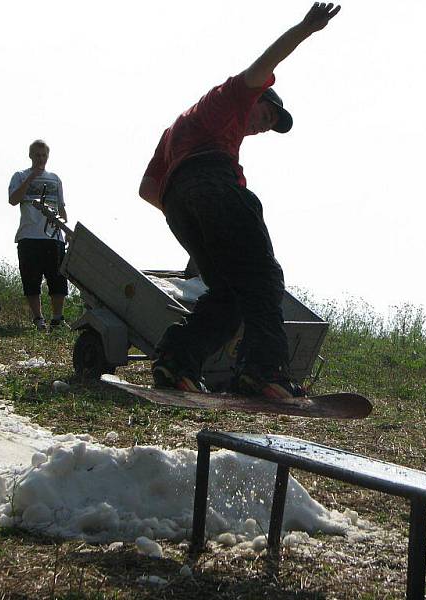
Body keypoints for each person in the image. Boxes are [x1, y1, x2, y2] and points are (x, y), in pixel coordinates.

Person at [139, 3, 341, 399]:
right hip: (214, 186)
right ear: (259, 95)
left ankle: (177, 360)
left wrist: (199, 225)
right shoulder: (231, 96)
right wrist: (305, 28)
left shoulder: (177, 130)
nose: (264, 126)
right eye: (267, 115)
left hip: (180, 204)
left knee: (228, 297)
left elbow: (148, 190)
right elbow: (266, 60)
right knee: (262, 278)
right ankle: (263, 371)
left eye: (268, 127)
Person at [8, 139, 69, 331]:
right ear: (30, 156)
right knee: (31, 279)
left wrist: (65, 229)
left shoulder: (55, 179)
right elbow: (13, 200)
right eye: (37, 155)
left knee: (58, 278)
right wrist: (30, 178)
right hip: (29, 236)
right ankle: (38, 319)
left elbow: (61, 207)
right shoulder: (19, 176)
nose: (40, 159)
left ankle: (57, 319)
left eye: (44, 155)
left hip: (53, 237)